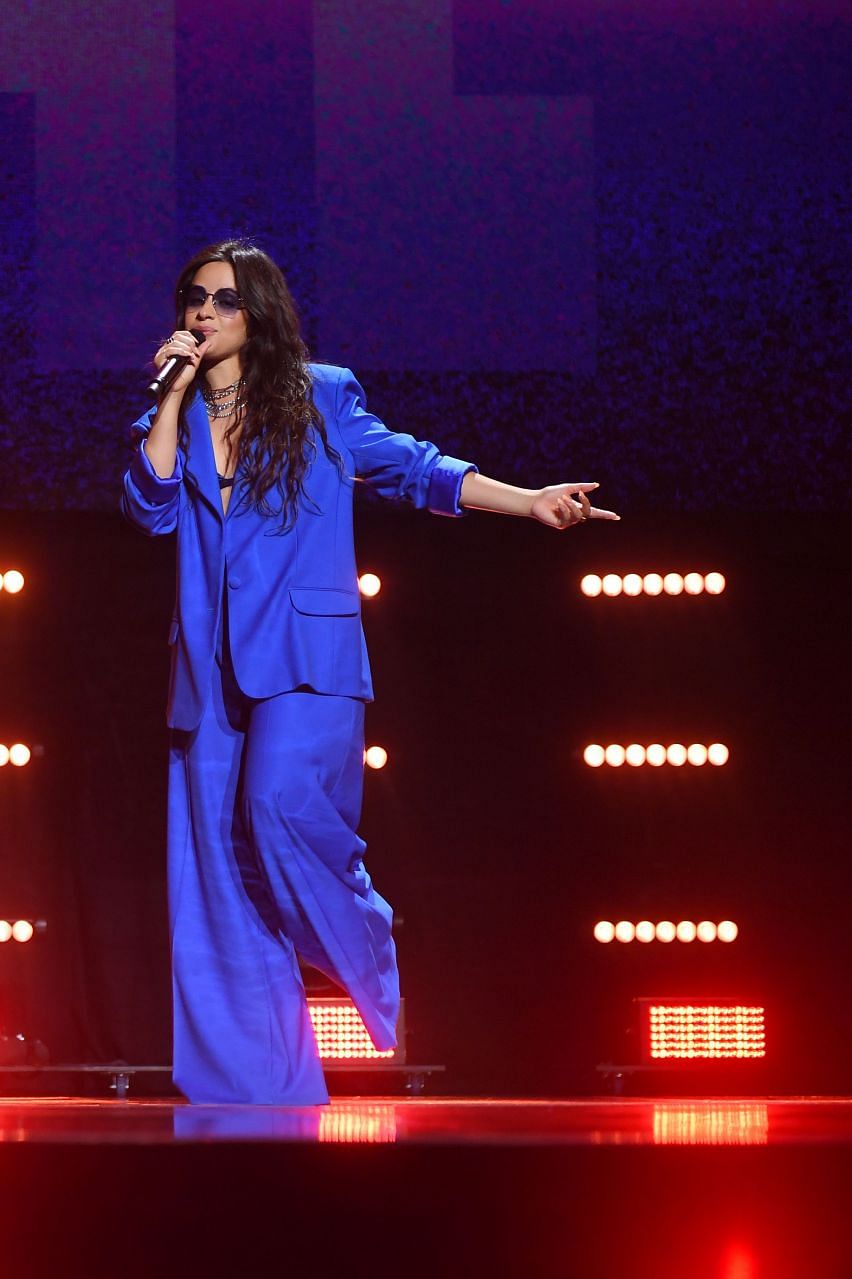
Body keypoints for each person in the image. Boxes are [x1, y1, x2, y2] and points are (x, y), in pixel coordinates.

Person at [120, 240, 617, 1105]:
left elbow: (416, 469)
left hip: (307, 651)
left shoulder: (320, 397)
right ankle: (257, 1083)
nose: (202, 312)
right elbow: (149, 504)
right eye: (192, 298)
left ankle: (363, 935)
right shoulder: (177, 409)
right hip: (207, 661)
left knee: (279, 807)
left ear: (260, 311)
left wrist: (528, 500)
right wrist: (167, 393)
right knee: (215, 868)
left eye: (224, 299)